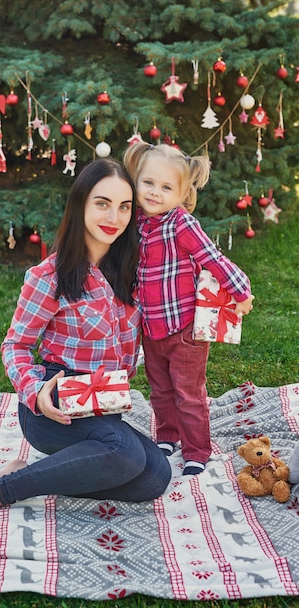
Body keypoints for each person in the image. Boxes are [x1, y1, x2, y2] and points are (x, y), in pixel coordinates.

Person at [0, 157, 171, 522]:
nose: (113, 218)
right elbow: (15, 346)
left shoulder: (131, 271)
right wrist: (35, 390)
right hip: (54, 403)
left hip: (102, 406)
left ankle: (19, 473)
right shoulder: (49, 276)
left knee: (156, 476)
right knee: (127, 454)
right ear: (81, 204)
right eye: (102, 203)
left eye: (124, 207)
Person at [123, 142, 255, 476]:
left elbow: (212, 258)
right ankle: (168, 435)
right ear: (136, 181)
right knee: (160, 389)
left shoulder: (181, 224)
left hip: (185, 329)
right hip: (151, 328)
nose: (155, 192)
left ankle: (197, 449)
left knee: (188, 393)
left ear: (181, 194)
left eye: (166, 187)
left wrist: (240, 291)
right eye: (148, 183)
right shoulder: (134, 222)